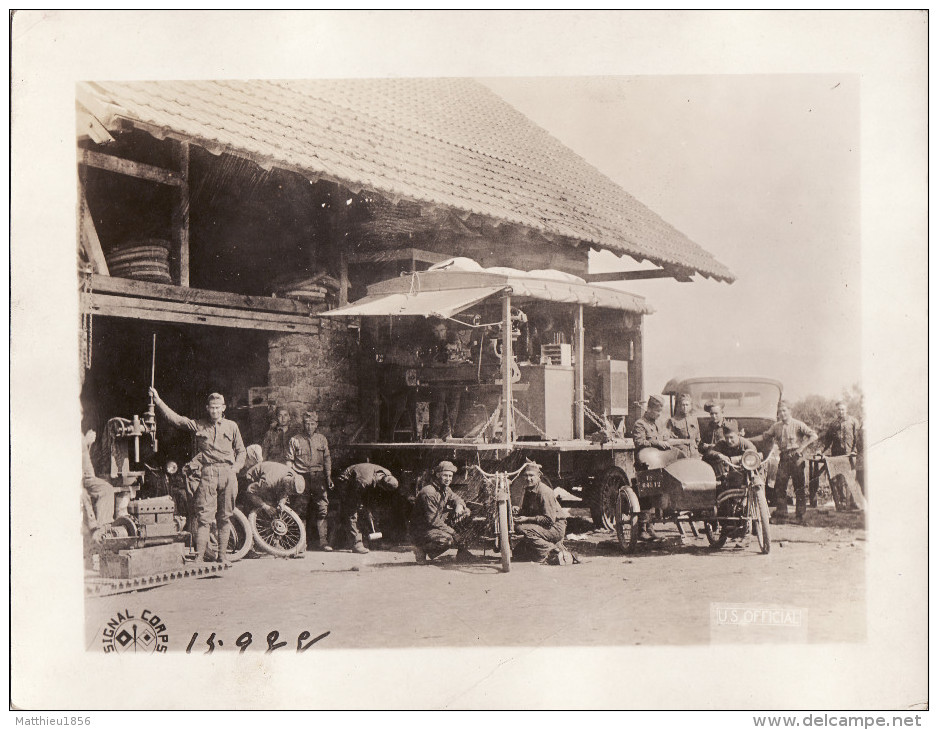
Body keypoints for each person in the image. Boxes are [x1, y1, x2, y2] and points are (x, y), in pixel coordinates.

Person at [149, 388, 246, 563]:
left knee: (225, 517)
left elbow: (241, 451)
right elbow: (177, 420)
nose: (215, 411)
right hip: (208, 474)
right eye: (212, 408)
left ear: (223, 408)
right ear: (207, 408)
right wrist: (158, 401)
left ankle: (222, 556)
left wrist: (236, 469)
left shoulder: (232, 427)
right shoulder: (199, 425)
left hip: (228, 474)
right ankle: (200, 557)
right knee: (204, 518)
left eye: (218, 407)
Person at [756, 401, 818, 522]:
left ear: (790, 411)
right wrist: (744, 438)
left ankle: (800, 516)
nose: (782, 413)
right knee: (780, 486)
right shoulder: (776, 426)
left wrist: (801, 448)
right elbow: (765, 437)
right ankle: (782, 515)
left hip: (796, 459)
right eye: (780, 411)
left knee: (799, 487)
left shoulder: (798, 424)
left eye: (784, 410)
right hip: (784, 458)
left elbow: (814, 436)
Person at [410, 461, 475, 564]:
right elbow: (433, 521)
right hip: (422, 530)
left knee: (466, 512)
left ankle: (462, 553)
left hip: (434, 526)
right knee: (447, 540)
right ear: (437, 475)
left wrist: (459, 505)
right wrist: (453, 532)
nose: (448, 479)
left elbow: (456, 498)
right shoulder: (429, 492)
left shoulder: (445, 489)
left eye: (450, 476)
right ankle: (421, 550)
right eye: (445, 475)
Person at [710, 423, 763, 547]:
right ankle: (724, 530)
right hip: (730, 478)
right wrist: (719, 455)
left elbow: (754, 456)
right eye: (727, 437)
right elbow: (710, 452)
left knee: (748, 504)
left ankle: (747, 535)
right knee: (722, 497)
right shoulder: (722, 444)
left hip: (747, 477)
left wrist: (737, 459)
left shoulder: (746, 444)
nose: (729, 440)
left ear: (738, 434)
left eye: (732, 437)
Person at [286, 411, 333, 551]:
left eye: (312, 424)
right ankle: (301, 543)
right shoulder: (295, 439)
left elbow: (327, 459)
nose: (309, 426)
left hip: (318, 477)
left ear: (316, 425)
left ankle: (323, 542)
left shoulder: (322, 439)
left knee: (322, 508)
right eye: (307, 424)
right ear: (303, 424)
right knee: (300, 509)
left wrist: (328, 477)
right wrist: (293, 478)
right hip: (301, 477)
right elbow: (289, 460)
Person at [333, 463, 399, 554]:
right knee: (352, 512)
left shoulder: (387, 473)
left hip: (363, 483)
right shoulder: (364, 481)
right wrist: (360, 504)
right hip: (346, 482)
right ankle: (356, 544)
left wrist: (368, 507)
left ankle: (375, 543)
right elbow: (355, 495)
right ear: (382, 485)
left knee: (371, 512)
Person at [512, 462, 567, 563]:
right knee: (518, 553)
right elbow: (528, 511)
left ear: (539, 476)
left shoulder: (544, 492)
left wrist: (527, 519)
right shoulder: (529, 489)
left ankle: (553, 551)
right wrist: (518, 510)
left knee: (522, 529)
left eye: (531, 475)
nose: (528, 478)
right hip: (544, 526)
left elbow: (549, 520)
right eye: (526, 475)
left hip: (555, 527)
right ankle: (547, 549)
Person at [819, 400, 862, 508]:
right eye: (839, 410)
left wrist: (854, 450)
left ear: (846, 410)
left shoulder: (853, 422)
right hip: (837, 455)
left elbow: (858, 438)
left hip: (850, 455)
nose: (841, 412)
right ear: (836, 411)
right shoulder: (833, 424)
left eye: (843, 409)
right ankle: (842, 502)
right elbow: (828, 440)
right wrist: (821, 451)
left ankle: (853, 502)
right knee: (839, 479)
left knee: (851, 479)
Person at [81, 428, 114, 536]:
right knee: (102, 490)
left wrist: (87, 443)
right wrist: (86, 442)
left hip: (87, 477)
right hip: (79, 478)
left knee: (107, 489)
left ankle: (103, 528)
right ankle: (98, 529)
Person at [698, 403, 739, 471]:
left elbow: (734, 445)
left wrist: (712, 446)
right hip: (709, 461)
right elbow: (701, 446)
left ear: (722, 413)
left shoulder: (730, 426)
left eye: (716, 413)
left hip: (724, 462)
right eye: (711, 414)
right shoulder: (708, 427)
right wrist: (703, 446)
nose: (713, 416)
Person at [665, 393, 701, 458]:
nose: (685, 407)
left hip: (694, 455)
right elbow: (668, 441)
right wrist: (684, 441)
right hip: (680, 455)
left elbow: (698, 438)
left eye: (687, 405)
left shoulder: (694, 420)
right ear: (679, 406)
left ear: (690, 406)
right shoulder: (672, 421)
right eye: (683, 405)